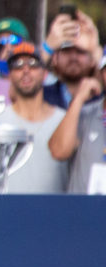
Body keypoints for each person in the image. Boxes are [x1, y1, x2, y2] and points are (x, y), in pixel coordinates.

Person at [0, 43, 67, 193]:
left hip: (55, 213)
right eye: (18, 65)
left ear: (45, 73)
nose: (26, 70)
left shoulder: (65, 120)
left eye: (33, 64)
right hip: (7, 213)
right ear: (9, 74)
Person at [49, 55, 106, 194]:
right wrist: (79, 98)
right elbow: (58, 151)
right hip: (82, 211)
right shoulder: (84, 114)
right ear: (101, 75)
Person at [42, 8, 101, 109]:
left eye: (80, 51)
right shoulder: (41, 96)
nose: (73, 57)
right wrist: (48, 47)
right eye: (66, 51)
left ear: (92, 60)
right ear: (55, 58)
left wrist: (96, 50)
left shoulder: (100, 98)